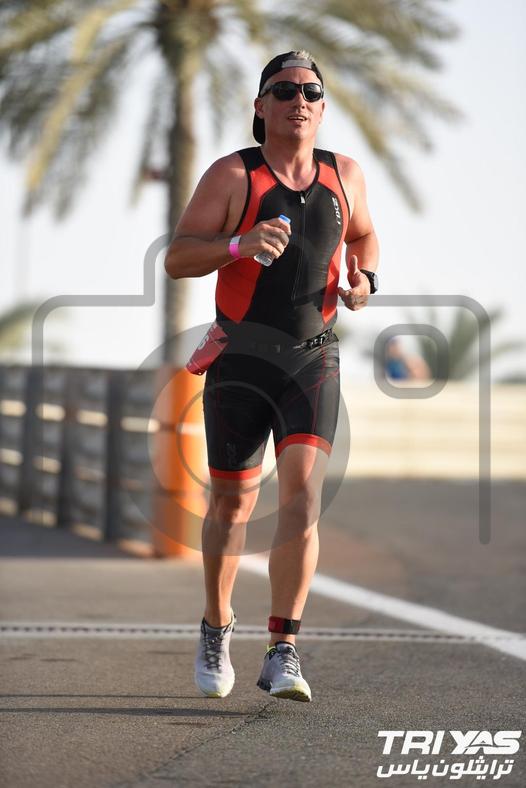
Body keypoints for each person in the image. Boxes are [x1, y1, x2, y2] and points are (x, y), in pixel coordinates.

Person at [164, 50, 379, 702]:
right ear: (260, 106)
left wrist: (365, 280)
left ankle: (283, 648)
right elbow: (178, 258)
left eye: (311, 91)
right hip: (241, 360)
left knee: (303, 500)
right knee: (231, 504)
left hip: (313, 357)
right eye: (284, 90)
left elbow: (364, 237)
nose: (299, 101)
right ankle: (216, 624)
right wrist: (239, 244)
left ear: (323, 106)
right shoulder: (234, 174)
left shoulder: (345, 174)